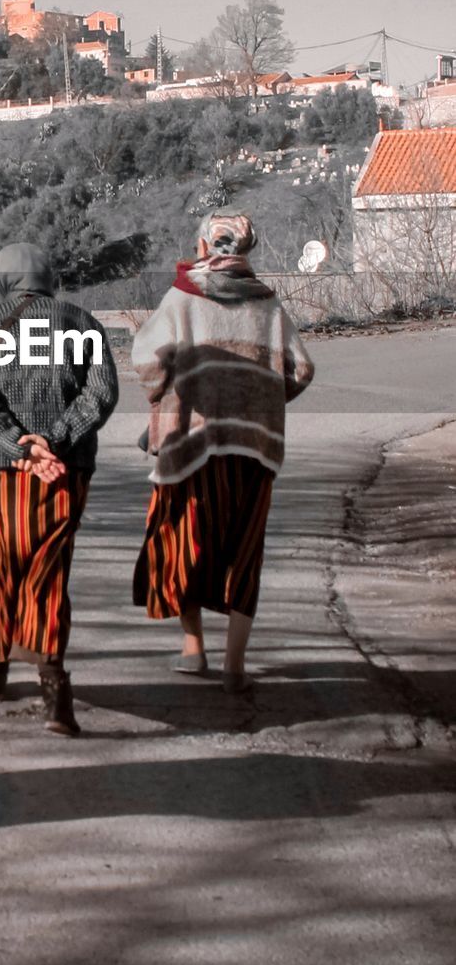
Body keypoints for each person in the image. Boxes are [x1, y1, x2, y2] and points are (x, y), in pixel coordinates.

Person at [0, 242, 119, 735]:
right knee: (46, 572)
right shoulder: (82, 322)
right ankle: (55, 691)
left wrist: (19, 445)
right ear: (48, 275)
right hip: (63, 468)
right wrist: (51, 443)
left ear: (1, 279)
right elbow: (102, 393)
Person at [131, 212, 314, 692]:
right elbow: (301, 370)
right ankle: (235, 665)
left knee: (179, 542)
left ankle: (194, 652)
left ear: (203, 244)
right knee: (243, 552)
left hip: (192, 445)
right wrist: (261, 402)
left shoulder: (182, 299)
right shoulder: (269, 307)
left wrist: (167, 396)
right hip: (255, 449)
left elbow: (147, 362)